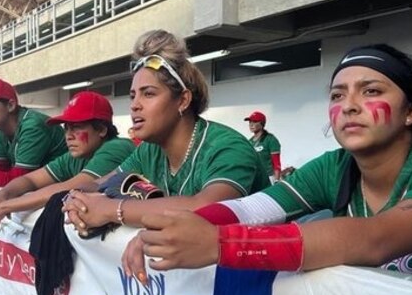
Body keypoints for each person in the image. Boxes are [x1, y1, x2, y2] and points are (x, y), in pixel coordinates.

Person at [125, 44, 412, 288]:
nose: (348, 105)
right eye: (337, 94)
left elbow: (374, 239)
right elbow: (250, 208)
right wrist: (165, 231)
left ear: (411, 112)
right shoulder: (335, 165)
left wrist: (220, 244)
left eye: (372, 91)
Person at [62, 30, 270, 233]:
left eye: (148, 94)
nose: (135, 105)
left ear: (183, 100)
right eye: (133, 96)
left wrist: (111, 210)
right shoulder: (149, 150)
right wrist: (74, 198)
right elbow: (99, 184)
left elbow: (208, 207)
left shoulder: (227, 147)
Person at [0, 91, 135, 232]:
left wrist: (6, 206)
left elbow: (70, 187)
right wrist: (0, 196)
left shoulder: (116, 147)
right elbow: (30, 179)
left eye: (76, 127)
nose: (68, 135)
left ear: (101, 129)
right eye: (66, 128)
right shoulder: (76, 155)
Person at [245, 111, 282, 180]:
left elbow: (276, 163)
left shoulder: (270, 139)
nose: (251, 125)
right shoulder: (249, 141)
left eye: (255, 122)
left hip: (269, 177)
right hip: (255, 178)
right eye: (250, 122)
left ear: (262, 124)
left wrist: (276, 180)